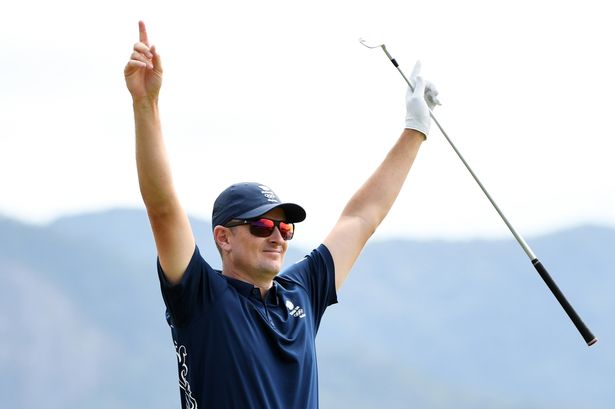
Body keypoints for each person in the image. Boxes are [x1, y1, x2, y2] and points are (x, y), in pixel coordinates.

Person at [124, 21, 438, 409]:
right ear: (223, 237)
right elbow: (162, 207)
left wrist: (414, 130)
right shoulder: (201, 296)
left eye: (285, 227)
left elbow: (360, 218)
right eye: (260, 226)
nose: (277, 236)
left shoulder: (301, 291)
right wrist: (146, 104)